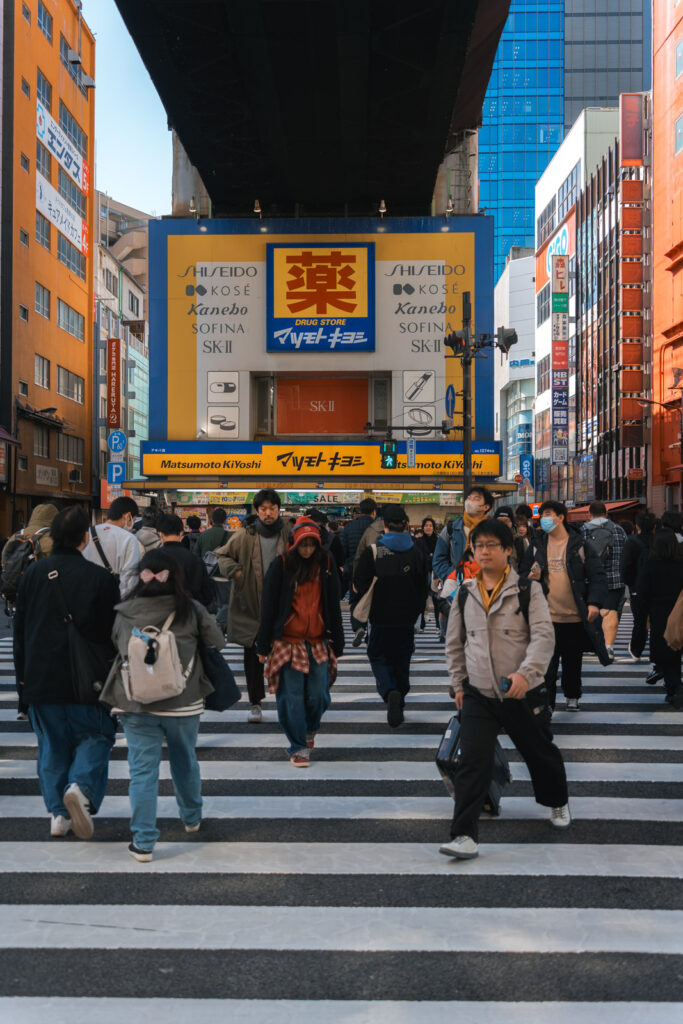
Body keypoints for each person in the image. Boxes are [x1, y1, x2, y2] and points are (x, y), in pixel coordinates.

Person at [440, 518, 570, 860]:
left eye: (491, 546)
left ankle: (557, 801)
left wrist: (527, 674)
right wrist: (458, 683)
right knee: (471, 762)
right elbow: (454, 643)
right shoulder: (466, 592)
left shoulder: (528, 590)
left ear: (508, 551)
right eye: (478, 546)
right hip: (479, 692)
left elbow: (544, 637)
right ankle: (464, 835)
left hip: (521, 691)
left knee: (539, 752)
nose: (484, 552)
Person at [100, 548, 225, 861]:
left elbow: (117, 643)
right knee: (185, 759)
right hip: (183, 700)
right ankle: (192, 817)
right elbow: (218, 641)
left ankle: (143, 841)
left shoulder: (126, 610)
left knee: (142, 771)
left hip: (136, 701)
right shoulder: (191, 609)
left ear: (140, 577)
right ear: (176, 577)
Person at [13, 506, 120, 839]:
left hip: (42, 676)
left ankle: (58, 815)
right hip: (89, 676)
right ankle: (82, 788)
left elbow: (20, 632)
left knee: (52, 745)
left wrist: (22, 684)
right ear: (85, 538)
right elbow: (113, 634)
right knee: (96, 736)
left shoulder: (33, 575)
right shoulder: (101, 578)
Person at [255, 517, 344, 766]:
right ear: (294, 544)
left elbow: (333, 605)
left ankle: (309, 729)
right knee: (290, 697)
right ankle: (298, 746)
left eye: (311, 545)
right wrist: (263, 646)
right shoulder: (281, 565)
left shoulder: (325, 563)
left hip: (317, 640)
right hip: (287, 640)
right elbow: (269, 608)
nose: (307, 550)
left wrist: (338, 640)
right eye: (303, 545)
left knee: (319, 694)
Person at [217, 489, 290, 723]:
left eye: (272, 509)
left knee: (285, 656)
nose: (268, 513)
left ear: (279, 509)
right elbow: (222, 556)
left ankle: (286, 701)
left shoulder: (288, 533)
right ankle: (255, 703)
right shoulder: (245, 535)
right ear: (257, 511)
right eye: (263, 509)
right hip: (251, 604)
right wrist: (236, 572)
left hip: (282, 606)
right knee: (252, 656)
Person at [530, 500, 609, 711]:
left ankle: (572, 694)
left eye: (548, 514)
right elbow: (524, 574)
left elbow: (597, 575)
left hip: (574, 615)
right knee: (547, 663)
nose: (544, 519)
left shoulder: (580, 545)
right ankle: (547, 703)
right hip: (546, 616)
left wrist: (594, 603)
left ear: (561, 517)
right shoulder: (538, 544)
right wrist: (531, 577)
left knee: (572, 660)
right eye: (543, 515)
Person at [354, 504, 428, 727]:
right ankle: (400, 695)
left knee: (378, 655)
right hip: (406, 617)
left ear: (384, 525)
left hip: (380, 616)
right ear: (406, 524)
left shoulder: (376, 550)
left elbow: (359, 583)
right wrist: (418, 613)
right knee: (402, 658)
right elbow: (422, 586)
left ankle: (389, 691)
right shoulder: (417, 550)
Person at [635, 529, 683, 708]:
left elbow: (643, 592)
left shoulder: (651, 564)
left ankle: (674, 687)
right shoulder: (680, 563)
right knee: (676, 652)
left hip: (659, 613)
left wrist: (641, 614)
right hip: (680, 611)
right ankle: (674, 687)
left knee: (666, 652)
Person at [581, 500, 627, 661]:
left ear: (589, 514)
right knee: (610, 612)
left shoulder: (583, 531)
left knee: (593, 612)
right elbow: (625, 555)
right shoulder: (619, 530)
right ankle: (608, 646)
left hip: (591, 580)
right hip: (615, 579)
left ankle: (595, 644)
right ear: (606, 514)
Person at [83, 496, 144, 598]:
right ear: (127, 516)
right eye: (133, 520)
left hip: (87, 595)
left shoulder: (88, 533)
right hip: (112, 598)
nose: (132, 525)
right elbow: (129, 579)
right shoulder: (128, 538)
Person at [156, 513, 216, 609]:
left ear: (160, 534)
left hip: (161, 615)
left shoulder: (152, 558)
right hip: (189, 614)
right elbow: (207, 596)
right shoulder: (197, 561)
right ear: (181, 532)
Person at [622, 511, 656, 663]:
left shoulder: (632, 542)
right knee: (657, 621)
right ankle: (656, 652)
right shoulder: (659, 541)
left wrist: (631, 583)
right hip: (658, 587)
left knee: (640, 621)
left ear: (637, 526)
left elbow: (626, 566)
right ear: (654, 526)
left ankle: (637, 649)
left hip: (638, 586)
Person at [304, 507, 345, 585]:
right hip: (328, 582)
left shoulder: (302, 539)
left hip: (306, 582)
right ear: (325, 524)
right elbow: (341, 561)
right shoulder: (333, 539)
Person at [416, 516, 439, 629]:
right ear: (423, 528)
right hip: (423, 573)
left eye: (430, 525)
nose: (428, 527)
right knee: (422, 599)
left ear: (433, 528)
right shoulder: (419, 541)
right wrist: (430, 557)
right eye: (426, 525)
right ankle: (421, 623)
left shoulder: (439, 541)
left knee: (437, 599)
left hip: (436, 573)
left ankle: (439, 625)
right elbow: (418, 557)